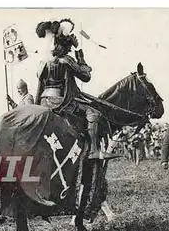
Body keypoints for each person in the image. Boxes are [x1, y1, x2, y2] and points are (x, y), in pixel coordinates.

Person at [34, 19, 118, 160]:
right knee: (94, 113)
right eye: (69, 47)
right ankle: (93, 151)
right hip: (60, 101)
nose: (69, 50)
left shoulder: (43, 62)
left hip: (43, 101)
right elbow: (86, 76)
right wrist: (79, 51)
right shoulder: (66, 60)